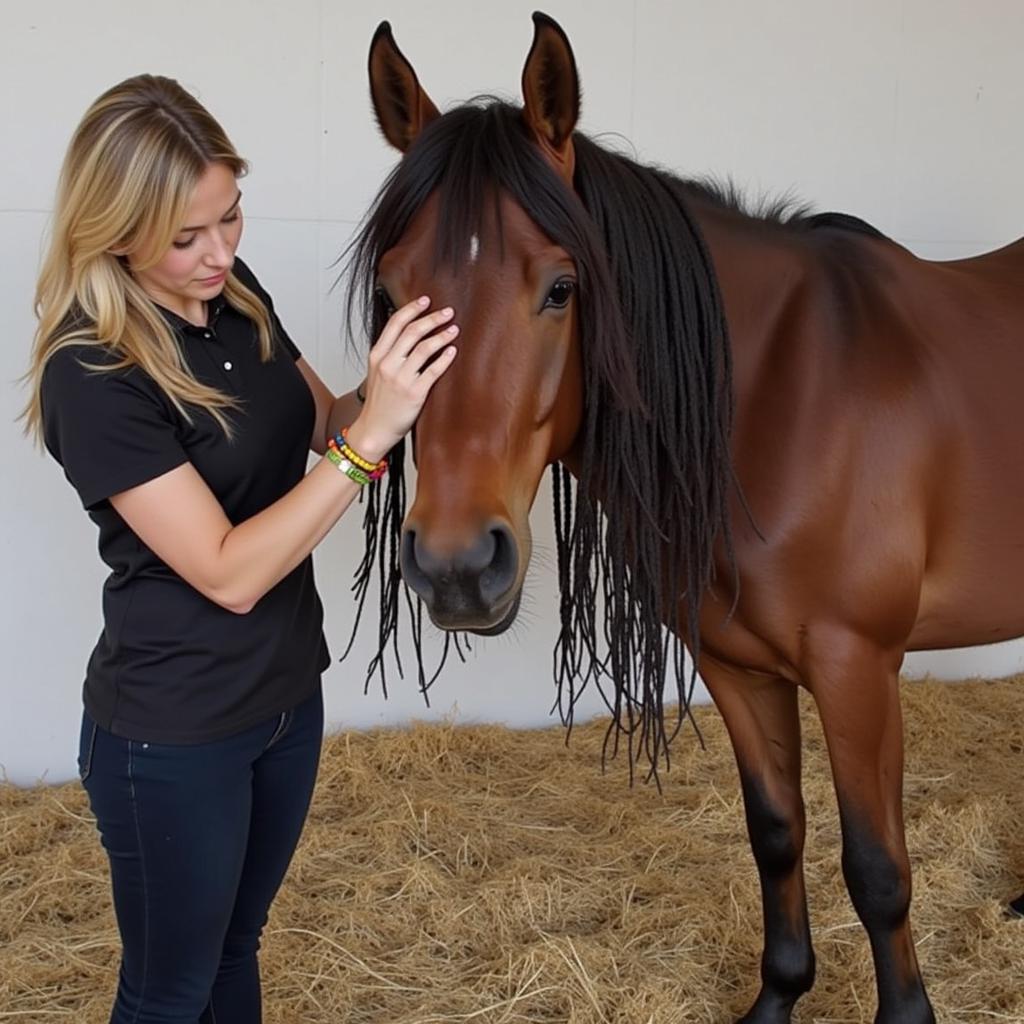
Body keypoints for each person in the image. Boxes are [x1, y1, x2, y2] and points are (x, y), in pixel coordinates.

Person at [21, 73, 458, 1023]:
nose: (219, 251)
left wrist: (415, 372)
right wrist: (368, 440)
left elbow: (327, 421)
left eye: (231, 216)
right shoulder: (90, 371)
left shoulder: (234, 292)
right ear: (115, 230)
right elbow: (228, 571)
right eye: (186, 238)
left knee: (234, 953)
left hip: (285, 701)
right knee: (168, 991)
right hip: (172, 736)